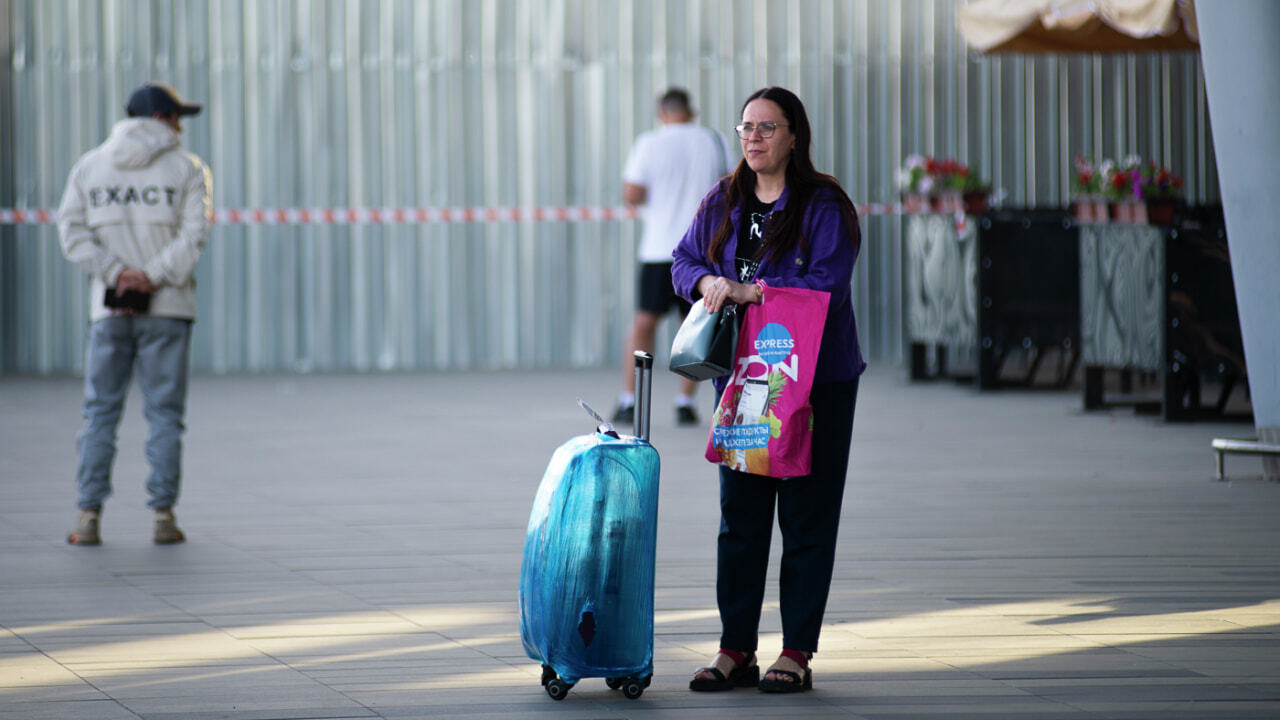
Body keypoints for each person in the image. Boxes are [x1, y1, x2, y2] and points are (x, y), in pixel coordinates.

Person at [671, 87, 865, 693]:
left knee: (807, 516)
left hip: (815, 383)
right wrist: (708, 280)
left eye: (767, 128)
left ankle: (796, 651)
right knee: (741, 518)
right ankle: (735, 649)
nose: (753, 138)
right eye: (746, 127)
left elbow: (826, 282)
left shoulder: (824, 205)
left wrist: (751, 290)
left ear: (794, 137)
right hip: (745, 383)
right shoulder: (723, 200)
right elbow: (681, 262)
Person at [57, 82, 212, 546]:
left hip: (110, 311)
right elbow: (194, 235)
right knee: (164, 415)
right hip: (169, 309)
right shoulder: (187, 169)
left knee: (100, 412)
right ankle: (163, 516)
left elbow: (71, 231)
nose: (181, 126)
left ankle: (88, 517)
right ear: (162, 118)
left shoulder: (90, 166)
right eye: (176, 116)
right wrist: (153, 275)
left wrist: (116, 274)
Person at [614, 88, 731, 426]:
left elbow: (632, 194)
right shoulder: (713, 140)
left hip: (658, 250)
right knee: (695, 327)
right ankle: (686, 401)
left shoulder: (648, 143)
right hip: (701, 250)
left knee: (644, 324)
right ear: (691, 111)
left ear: (661, 112)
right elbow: (730, 185)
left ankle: (628, 400)